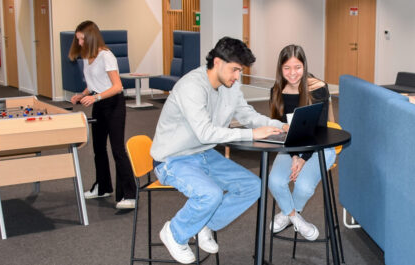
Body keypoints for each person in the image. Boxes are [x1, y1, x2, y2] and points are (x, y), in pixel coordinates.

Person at [150, 37, 286, 263]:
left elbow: (247, 115)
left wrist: (278, 125)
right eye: (234, 69)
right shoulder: (191, 86)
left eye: (240, 71)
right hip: (172, 159)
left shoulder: (231, 85)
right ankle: (174, 232)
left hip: (202, 153)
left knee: (253, 186)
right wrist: (252, 134)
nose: (237, 76)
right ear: (217, 62)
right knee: (210, 195)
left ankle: (204, 224)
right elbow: (206, 132)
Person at [266, 45, 335, 241]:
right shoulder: (277, 91)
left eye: (297, 67)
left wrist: (303, 158)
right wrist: (295, 155)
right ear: (280, 68)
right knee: (275, 181)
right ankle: (295, 219)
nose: (292, 73)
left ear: (304, 66)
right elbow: (282, 130)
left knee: (304, 187)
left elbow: (320, 129)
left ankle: (285, 214)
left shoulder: (317, 88)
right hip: (291, 147)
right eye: (287, 68)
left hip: (320, 147)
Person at [68, 21, 136, 209]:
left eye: (81, 39)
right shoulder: (87, 57)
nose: (79, 43)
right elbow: (93, 83)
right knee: (98, 148)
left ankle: (131, 194)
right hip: (98, 103)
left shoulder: (106, 56)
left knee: (117, 149)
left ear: (90, 37)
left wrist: (96, 97)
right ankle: (103, 187)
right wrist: (82, 94)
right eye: (78, 39)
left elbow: (117, 86)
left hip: (114, 104)